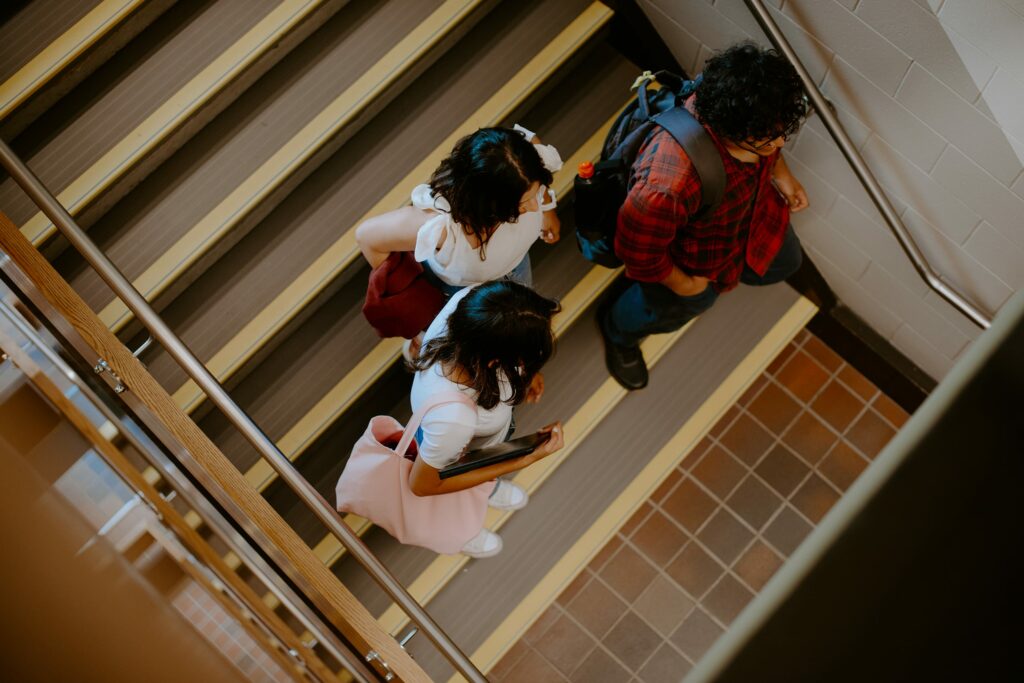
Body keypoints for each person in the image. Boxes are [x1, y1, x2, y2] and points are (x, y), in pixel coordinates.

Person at [597, 42, 811, 390]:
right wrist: (684, 284)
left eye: (781, 133)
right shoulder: (668, 183)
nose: (780, 144)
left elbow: (767, 144)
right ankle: (619, 332)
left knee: (785, 260)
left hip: (746, 218)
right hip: (691, 264)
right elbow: (638, 251)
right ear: (734, 131)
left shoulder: (740, 101)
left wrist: (780, 172)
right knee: (668, 306)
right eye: (768, 139)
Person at [356, 125, 563, 357]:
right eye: (524, 202)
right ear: (488, 202)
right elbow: (367, 237)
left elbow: (529, 137)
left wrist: (548, 208)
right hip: (466, 294)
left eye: (534, 194)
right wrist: (410, 298)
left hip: (517, 266)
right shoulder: (442, 225)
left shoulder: (521, 166)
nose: (533, 205)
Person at [406, 280, 565, 558]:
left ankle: (485, 489)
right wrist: (522, 460)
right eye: (524, 358)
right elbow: (423, 485)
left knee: (478, 482)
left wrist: (524, 377)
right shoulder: (453, 419)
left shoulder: (473, 303)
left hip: (466, 438)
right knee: (454, 499)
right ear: (495, 361)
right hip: (454, 453)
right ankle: (461, 531)